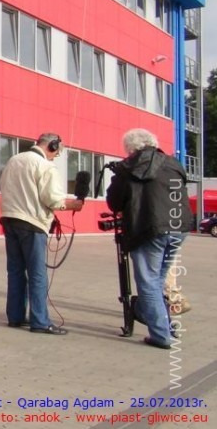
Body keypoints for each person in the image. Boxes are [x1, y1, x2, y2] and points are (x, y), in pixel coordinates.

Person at [106, 128, 194, 349]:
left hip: (149, 229)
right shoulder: (173, 163)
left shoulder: (128, 167)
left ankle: (161, 334)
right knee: (158, 280)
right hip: (179, 226)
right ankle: (163, 325)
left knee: (149, 283)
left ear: (130, 149)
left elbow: (114, 202)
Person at [0, 133, 83, 334]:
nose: (56, 156)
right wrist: (74, 204)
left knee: (15, 271)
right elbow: (53, 199)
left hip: (9, 219)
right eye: (57, 152)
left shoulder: (14, 159)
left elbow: (2, 187)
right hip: (33, 224)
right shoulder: (45, 166)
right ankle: (40, 321)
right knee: (37, 273)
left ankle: (15, 317)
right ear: (52, 146)